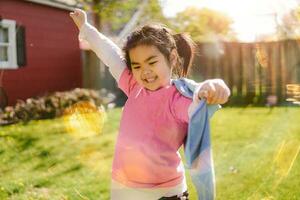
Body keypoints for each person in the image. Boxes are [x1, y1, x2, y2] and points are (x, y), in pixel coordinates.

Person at [70, 8, 230, 200]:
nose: (144, 72)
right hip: (123, 186)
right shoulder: (133, 86)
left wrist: (216, 87)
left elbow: (199, 100)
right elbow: (109, 54)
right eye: (137, 66)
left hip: (163, 192)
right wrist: (86, 29)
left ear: (171, 58)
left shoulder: (178, 99)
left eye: (151, 62)